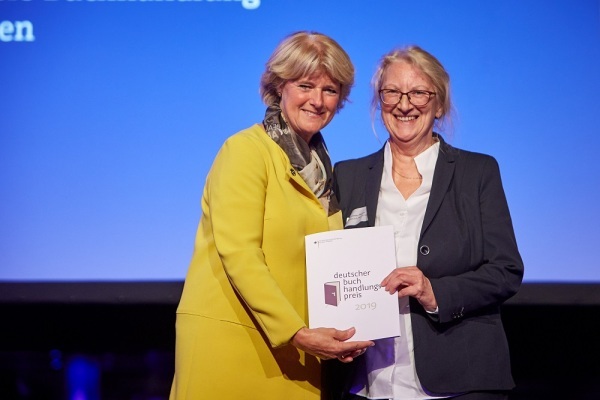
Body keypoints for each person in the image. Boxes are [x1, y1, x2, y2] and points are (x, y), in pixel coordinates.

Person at [169, 31, 374, 400]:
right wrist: (297, 332)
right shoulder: (245, 151)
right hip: (236, 346)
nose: (317, 100)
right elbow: (240, 255)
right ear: (280, 86)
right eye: (305, 85)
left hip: (301, 353)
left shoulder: (324, 172)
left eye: (330, 90)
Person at [329, 45, 524, 399]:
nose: (405, 104)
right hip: (369, 384)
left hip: (460, 383)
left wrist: (434, 292)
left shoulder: (477, 172)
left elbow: (506, 270)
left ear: (439, 104)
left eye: (418, 92)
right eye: (392, 92)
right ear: (379, 101)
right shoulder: (348, 175)